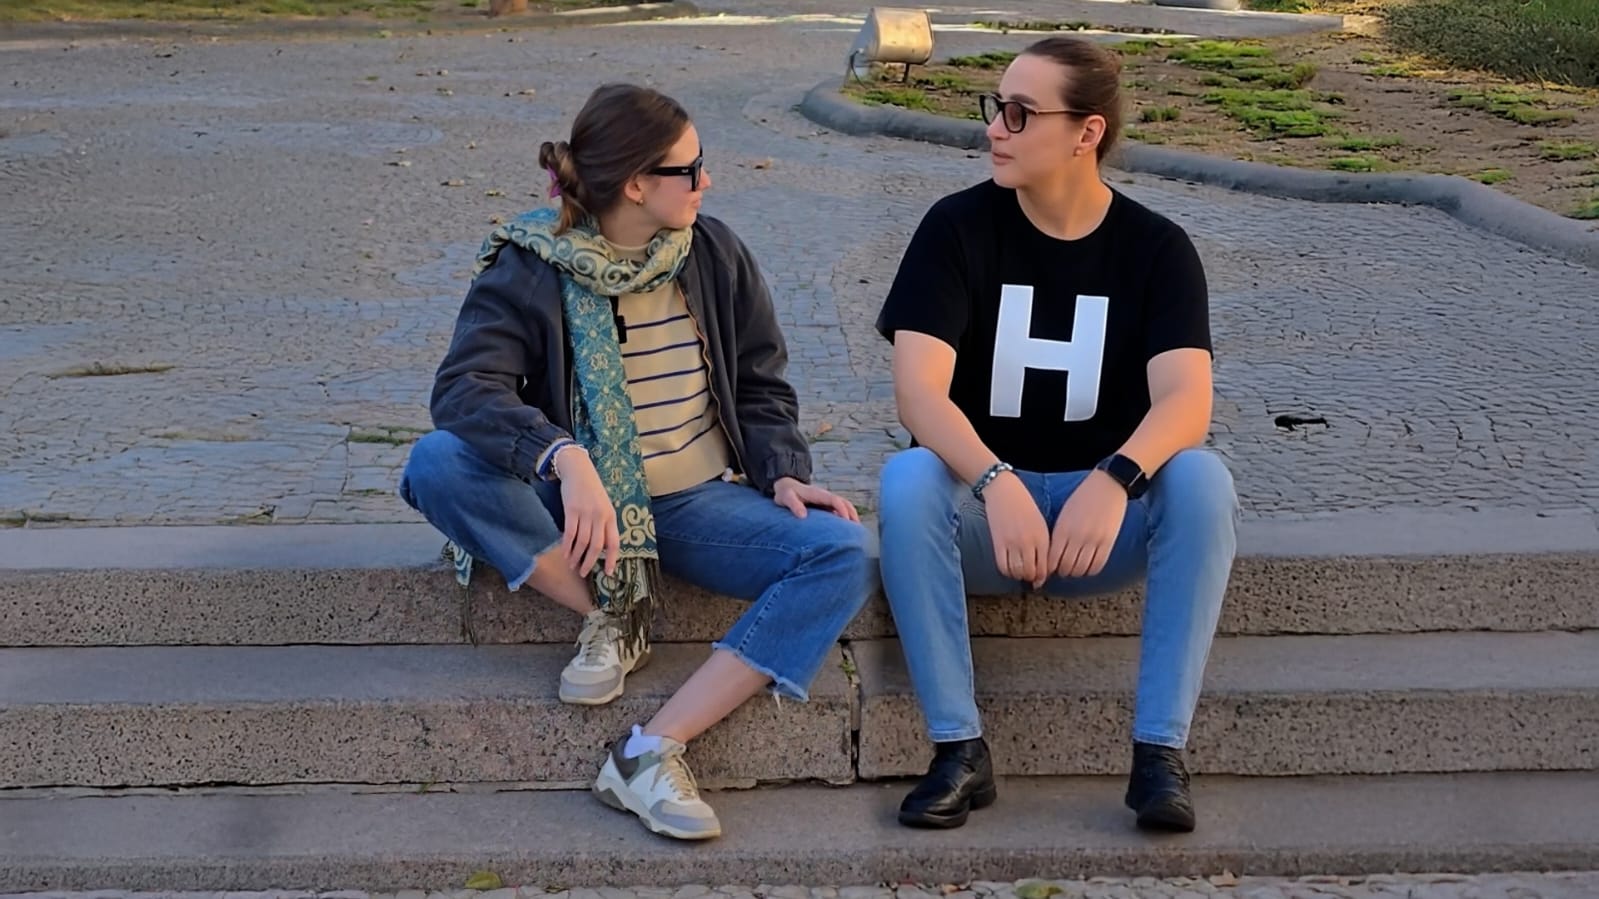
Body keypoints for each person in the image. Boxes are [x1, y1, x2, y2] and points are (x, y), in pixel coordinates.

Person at [397, 83, 871, 841]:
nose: (707, 180)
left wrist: (783, 468)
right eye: (690, 168)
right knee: (436, 462)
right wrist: (563, 455)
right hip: (574, 508)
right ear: (636, 185)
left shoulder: (712, 252)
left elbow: (759, 380)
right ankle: (611, 613)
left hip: (693, 504)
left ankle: (649, 751)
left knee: (841, 550)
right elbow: (464, 389)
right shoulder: (531, 263)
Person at [873, 36, 1239, 834]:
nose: (993, 128)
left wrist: (1114, 479)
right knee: (906, 479)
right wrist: (994, 481)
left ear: (1086, 133)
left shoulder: (1156, 248)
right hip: (983, 525)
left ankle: (1159, 755)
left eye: (1019, 113)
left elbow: (1186, 401)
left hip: (1094, 533)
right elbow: (918, 392)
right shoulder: (954, 227)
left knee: (1202, 480)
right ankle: (957, 749)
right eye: (995, 107)